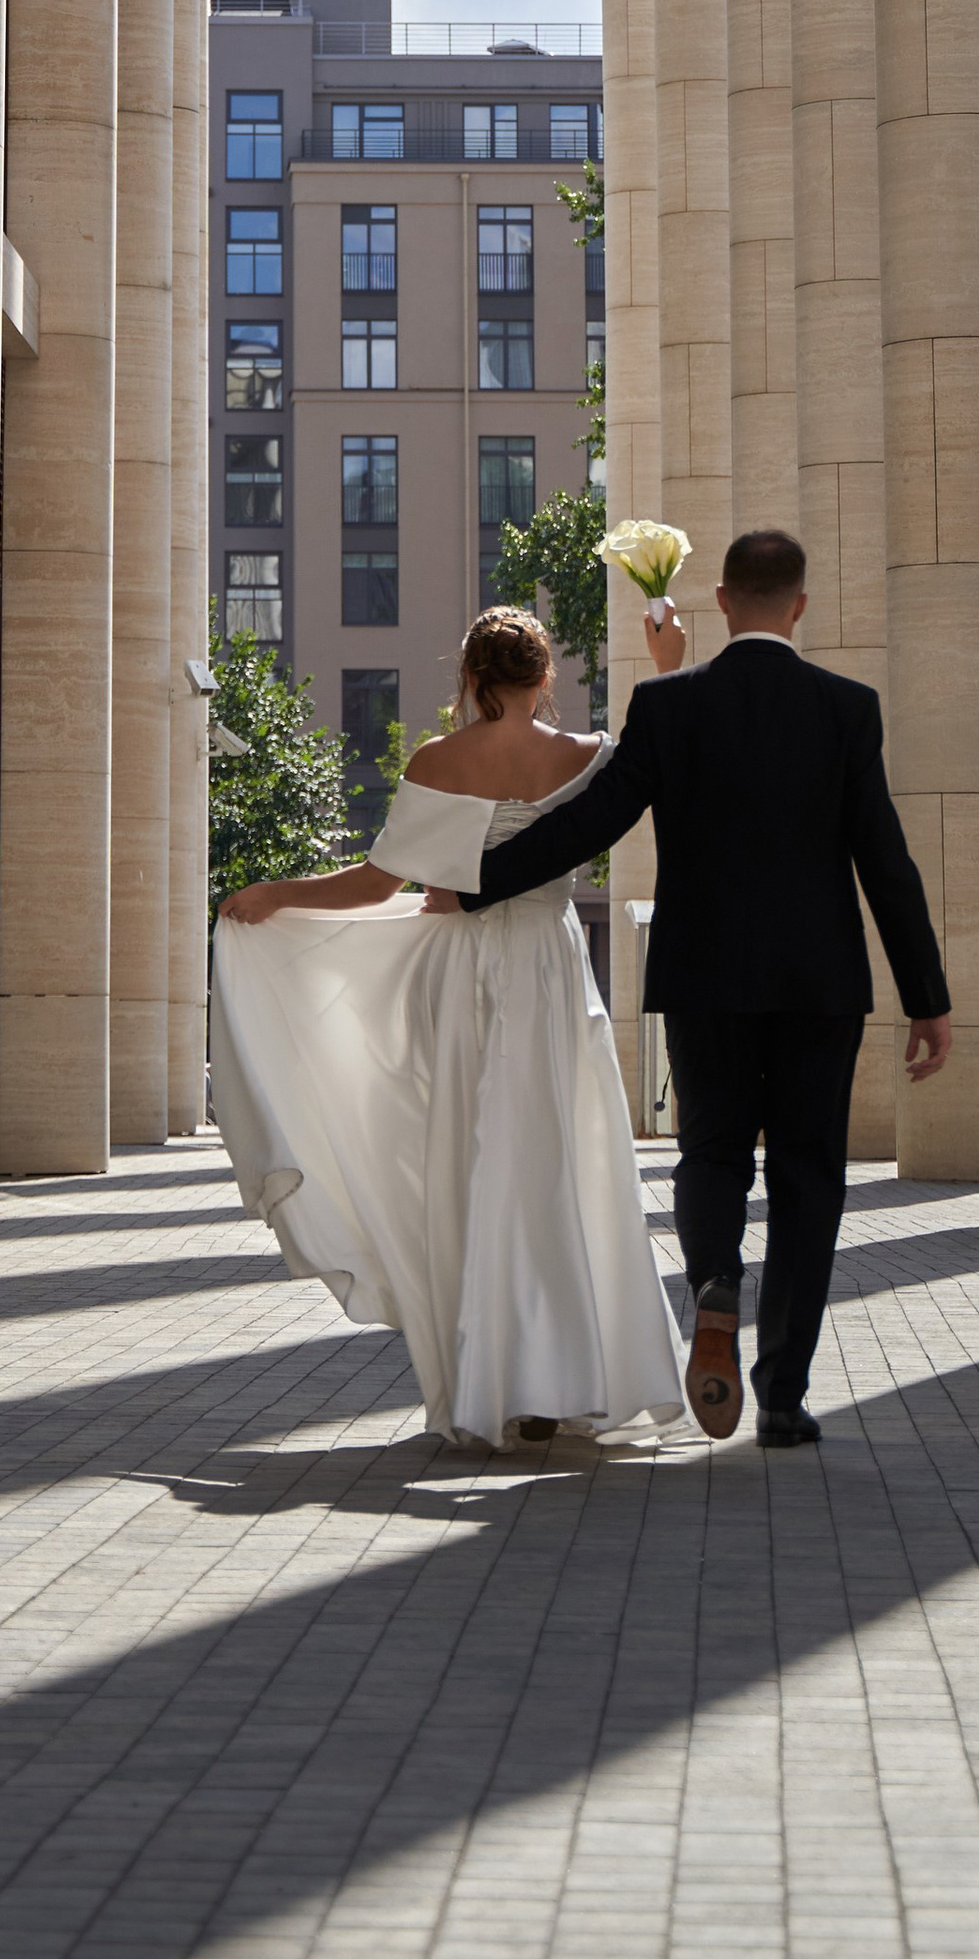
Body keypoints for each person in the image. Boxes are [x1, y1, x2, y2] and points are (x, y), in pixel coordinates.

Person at [455, 523, 952, 1450]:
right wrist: (927, 994)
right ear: (799, 606)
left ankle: (716, 1281)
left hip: (703, 974)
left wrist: (476, 882)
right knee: (809, 1174)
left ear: (720, 602)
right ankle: (783, 1396)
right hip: (818, 982)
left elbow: (593, 821)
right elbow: (884, 858)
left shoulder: (669, 705)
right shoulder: (847, 708)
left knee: (713, 1152)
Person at [209, 604, 686, 1452]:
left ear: (468, 677)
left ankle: (493, 1376)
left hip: (468, 978)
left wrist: (278, 894)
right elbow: (657, 764)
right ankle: (563, 1374)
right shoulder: (590, 757)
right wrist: (667, 665)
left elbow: (374, 885)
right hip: (552, 968)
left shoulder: (439, 759)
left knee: (476, 1166)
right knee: (560, 1166)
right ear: (546, 677)